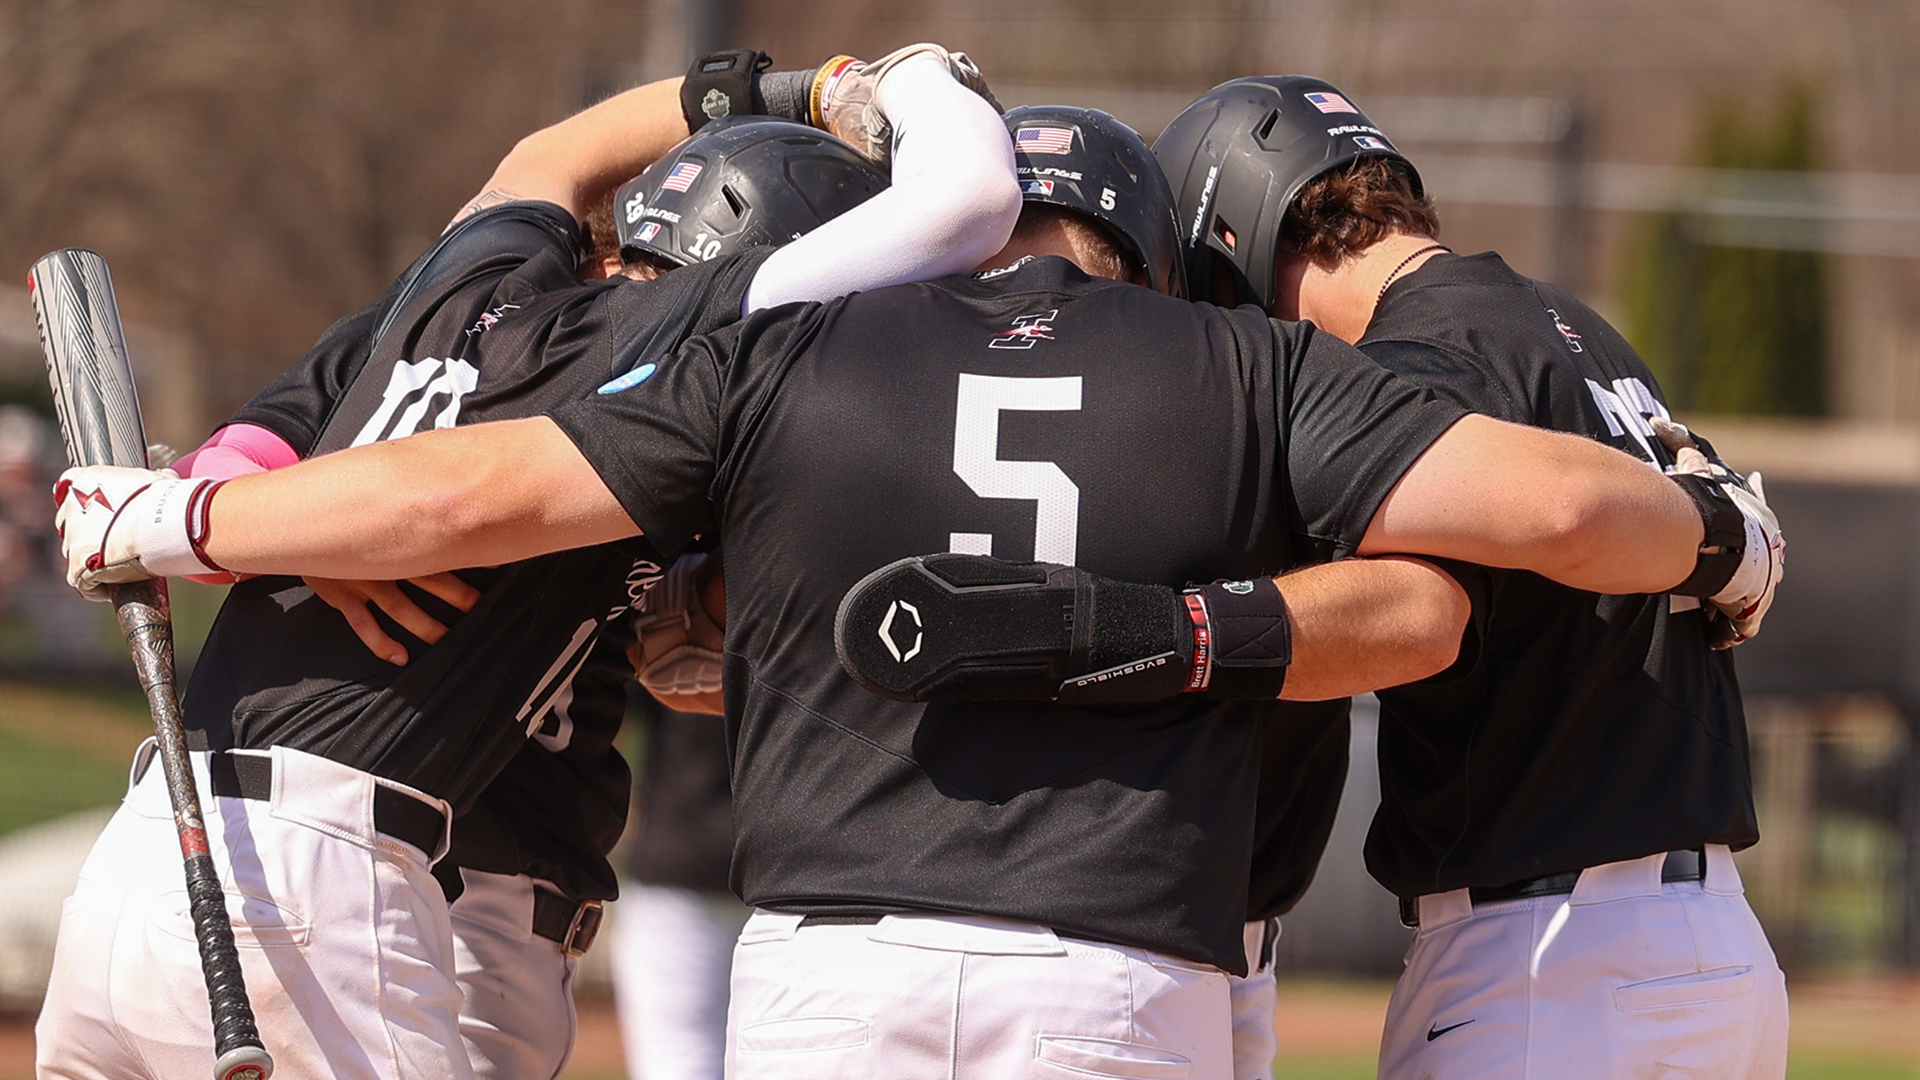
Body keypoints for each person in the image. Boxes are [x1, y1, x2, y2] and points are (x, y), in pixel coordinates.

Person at [57, 106, 1738, 1080]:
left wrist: (201, 518)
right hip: (1120, 971)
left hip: (824, 975)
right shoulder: (1249, 366)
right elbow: (1524, 547)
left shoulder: (789, 357)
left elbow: (479, 493)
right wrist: (1717, 531)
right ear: (1154, 246)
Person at [36, 46, 1017, 1080]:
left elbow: (547, 156)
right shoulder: (669, 348)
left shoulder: (473, 276)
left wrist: (812, 89)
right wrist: (910, 78)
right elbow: (968, 201)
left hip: (142, 863)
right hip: (317, 891)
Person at [870, 75, 1788, 1080]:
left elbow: (1411, 615)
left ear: (1233, 240)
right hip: (1714, 951)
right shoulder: (1572, 325)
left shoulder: (1415, 359)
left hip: (1549, 956)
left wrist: (1142, 630)